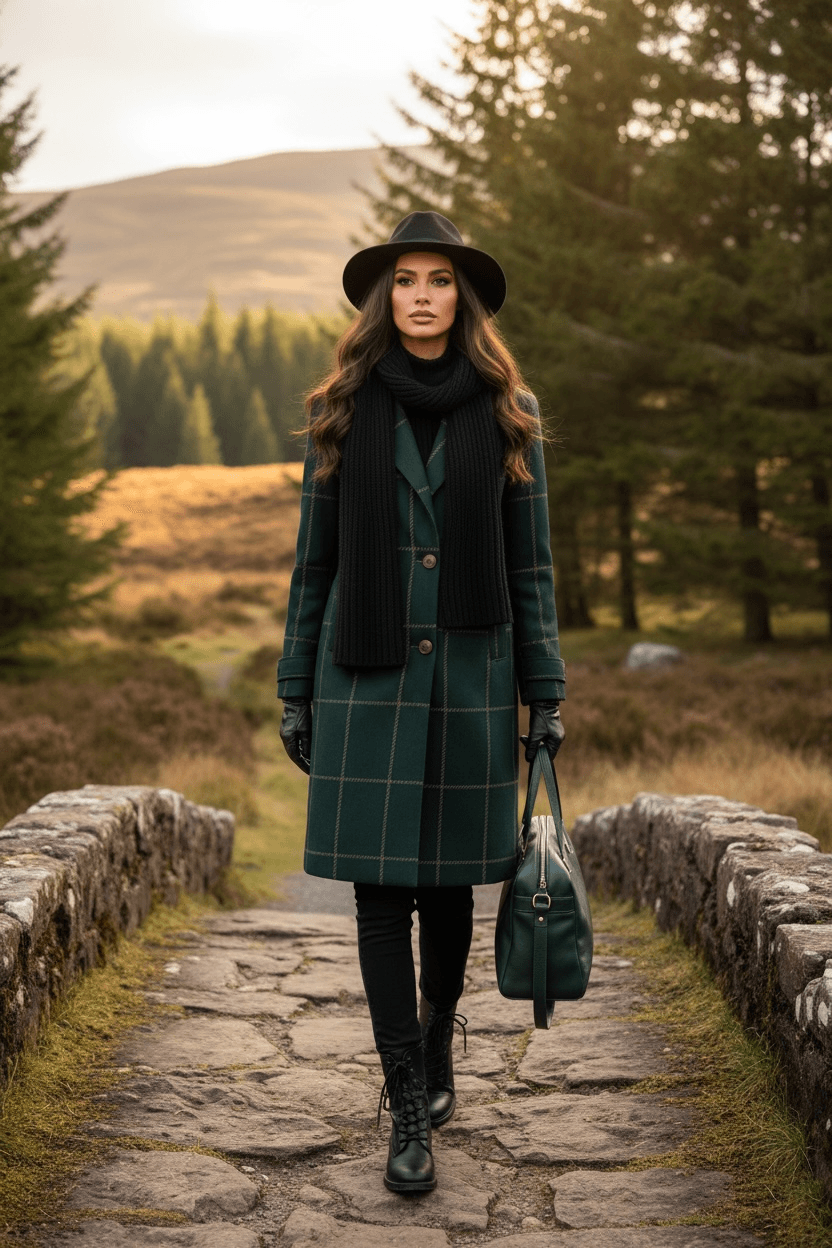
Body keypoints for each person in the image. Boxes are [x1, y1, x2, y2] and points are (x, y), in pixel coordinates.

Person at [277, 211, 566, 1194]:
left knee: (448, 894)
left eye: (439, 280)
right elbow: (313, 564)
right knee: (378, 897)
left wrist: (546, 692)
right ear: (382, 298)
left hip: (471, 685)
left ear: (463, 297)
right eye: (405, 280)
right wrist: (293, 687)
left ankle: (438, 1038)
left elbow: (532, 570)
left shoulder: (511, 410)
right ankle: (405, 1097)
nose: (421, 296)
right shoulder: (340, 409)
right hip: (362, 679)